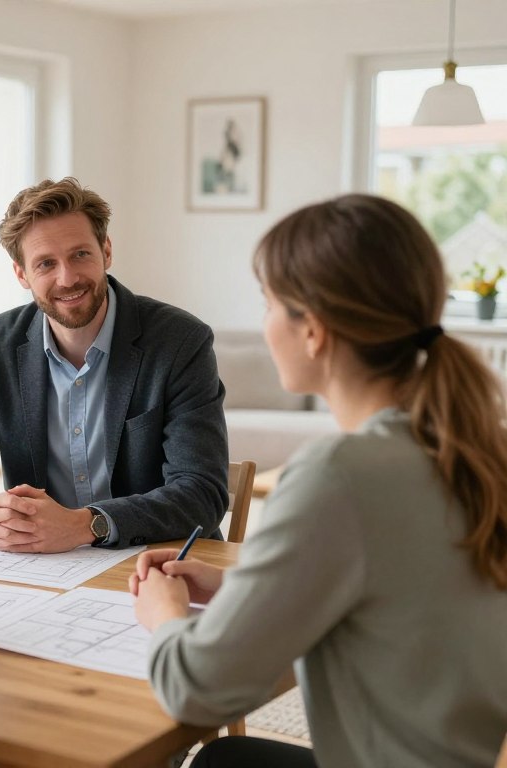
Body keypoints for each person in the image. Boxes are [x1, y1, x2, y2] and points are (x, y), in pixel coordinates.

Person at [130, 194, 507, 767]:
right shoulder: (470, 445)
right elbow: (394, 600)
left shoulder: (339, 476)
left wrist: (163, 614)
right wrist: (239, 591)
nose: (265, 324)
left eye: (270, 305)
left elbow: (197, 691)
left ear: (315, 331)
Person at [0, 177, 229, 553]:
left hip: (159, 559)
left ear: (106, 251)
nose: (67, 278)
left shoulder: (180, 342)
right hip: (45, 566)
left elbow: (201, 492)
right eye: (46, 263)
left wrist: (87, 524)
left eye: (80, 254)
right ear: (21, 274)